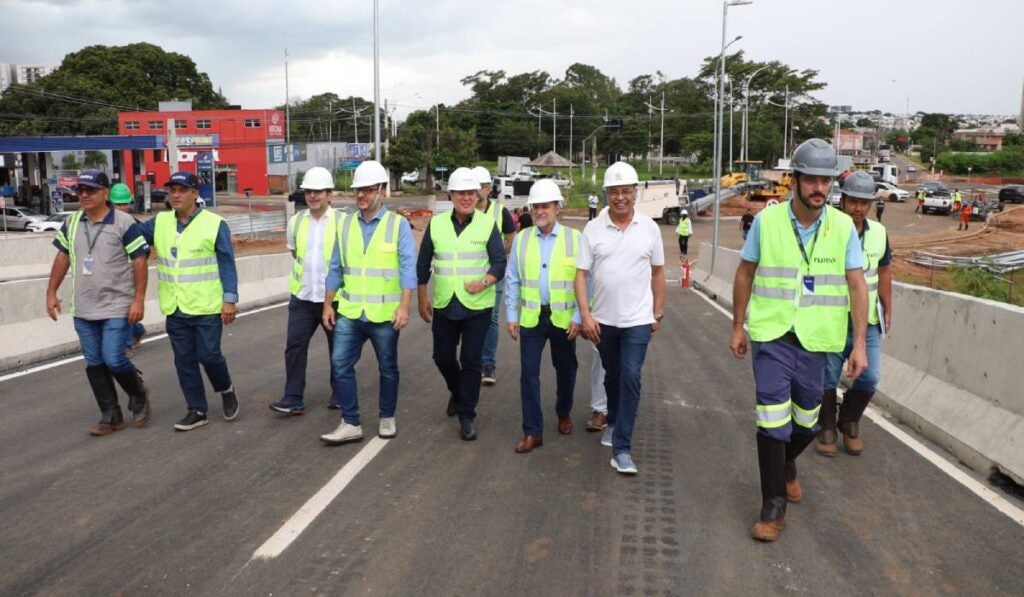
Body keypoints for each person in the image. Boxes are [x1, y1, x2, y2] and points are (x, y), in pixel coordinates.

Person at [729, 138, 868, 542]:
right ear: (795, 180)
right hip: (772, 335)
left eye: (826, 181)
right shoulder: (767, 222)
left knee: (806, 423)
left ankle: (785, 464)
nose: (819, 188)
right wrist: (738, 325)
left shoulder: (842, 228)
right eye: (812, 179)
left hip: (818, 341)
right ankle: (773, 506)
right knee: (772, 419)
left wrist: (859, 343)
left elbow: (857, 286)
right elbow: (744, 273)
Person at [576, 162, 666, 475]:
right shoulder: (593, 229)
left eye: (626, 191)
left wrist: (657, 311)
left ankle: (622, 448)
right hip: (603, 322)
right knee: (612, 375)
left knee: (630, 376)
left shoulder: (650, 228)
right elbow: (581, 275)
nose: (620, 197)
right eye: (614, 192)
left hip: (638, 320)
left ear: (635, 193)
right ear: (606, 194)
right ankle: (613, 420)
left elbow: (658, 271)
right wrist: (585, 315)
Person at [46, 169, 152, 435]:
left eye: (90, 190)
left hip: (117, 304)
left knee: (114, 359)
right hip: (83, 306)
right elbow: (62, 257)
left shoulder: (124, 223)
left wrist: (138, 299)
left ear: (105, 193)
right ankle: (111, 414)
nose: (84, 195)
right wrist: (51, 293)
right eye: (80, 191)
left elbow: (140, 260)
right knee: (94, 363)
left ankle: (137, 393)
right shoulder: (72, 222)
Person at [320, 161, 416, 444]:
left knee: (387, 367)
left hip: (385, 314)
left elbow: (407, 268)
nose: (361, 195)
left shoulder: (397, 225)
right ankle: (350, 422)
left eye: (368, 190)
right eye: (358, 190)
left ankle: (387, 417)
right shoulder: (345, 224)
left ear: (382, 192)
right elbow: (335, 267)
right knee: (339, 365)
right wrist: (328, 304)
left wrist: (404, 306)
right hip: (350, 311)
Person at [139, 171, 239, 431]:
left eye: (182, 190)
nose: (175, 195)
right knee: (183, 360)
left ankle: (226, 388)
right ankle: (196, 410)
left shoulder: (215, 224)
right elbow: (131, 235)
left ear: (195, 193)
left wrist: (229, 300)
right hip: (175, 306)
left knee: (209, 355)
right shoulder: (159, 222)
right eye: (172, 190)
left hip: (206, 306)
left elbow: (227, 263)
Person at [417, 167, 507, 441]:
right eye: (460, 193)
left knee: (471, 361)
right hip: (445, 303)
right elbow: (423, 263)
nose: (466, 198)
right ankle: (457, 392)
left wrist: (485, 282)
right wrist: (422, 297)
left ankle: (467, 414)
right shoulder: (436, 223)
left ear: (477, 195)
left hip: (477, 306)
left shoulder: (487, 224)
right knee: (441, 357)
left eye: (470, 193)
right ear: (451, 195)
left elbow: (499, 261)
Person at [816, 171, 892, 458]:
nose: (858, 208)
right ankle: (826, 426)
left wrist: (888, 306)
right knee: (827, 378)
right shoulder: (825, 230)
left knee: (869, 378)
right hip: (832, 317)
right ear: (842, 200)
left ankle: (848, 419)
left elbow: (884, 271)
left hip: (867, 320)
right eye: (853, 201)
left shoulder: (880, 233)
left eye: (865, 203)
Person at [504, 179, 581, 453]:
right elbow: (512, 279)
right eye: (535, 206)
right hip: (532, 319)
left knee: (567, 370)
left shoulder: (575, 239)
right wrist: (512, 314)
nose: (540, 211)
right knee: (528, 374)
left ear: (557, 207)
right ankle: (532, 431)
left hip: (563, 319)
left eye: (545, 206)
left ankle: (563, 412)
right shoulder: (522, 238)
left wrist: (579, 317)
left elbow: (587, 282)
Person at [269, 167, 340, 415]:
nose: (313, 196)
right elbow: (295, 253)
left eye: (318, 191)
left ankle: (340, 392)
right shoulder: (296, 221)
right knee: (295, 347)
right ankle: (293, 398)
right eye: (309, 191)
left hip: (335, 300)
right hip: (303, 298)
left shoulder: (343, 222)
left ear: (329, 194)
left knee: (338, 350)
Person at [472, 166, 516, 388]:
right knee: (470, 319)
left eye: (481, 186)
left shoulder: (500, 212)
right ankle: (471, 363)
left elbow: (510, 237)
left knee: (490, 318)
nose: (477, 191)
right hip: (469, 275)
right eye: (474, 187)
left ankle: (487, 364)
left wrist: (500, 256)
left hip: (493, 275)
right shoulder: (466, 211)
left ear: (489, 189)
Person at [109, 183, 147, 355]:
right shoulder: (106, 224)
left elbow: (143, 253)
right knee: (119, 311)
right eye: (119, 204)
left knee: (124, 310)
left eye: (125, 204)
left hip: (129, 275)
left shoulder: (134, 225)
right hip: (111, 275)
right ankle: (137, 330)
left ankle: (125, 345)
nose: (123, 207)